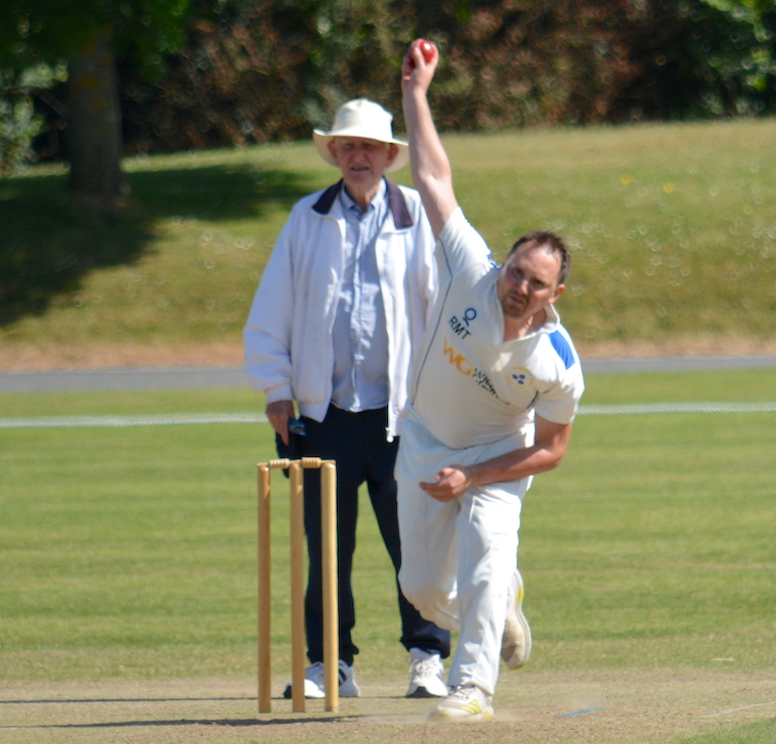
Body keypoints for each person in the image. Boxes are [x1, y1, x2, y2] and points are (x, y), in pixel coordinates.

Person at [395, 43, 585, 720]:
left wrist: (475, 477)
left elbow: (554, 450)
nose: (518, 286)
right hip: (424, 441)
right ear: (501, 262)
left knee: (482, 559)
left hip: (499, 460)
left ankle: (473, 688)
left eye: (535, 281)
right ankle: (504, 600)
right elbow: (434, 177)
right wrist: (416, 93)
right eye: (515, 270)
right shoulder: (469, 270)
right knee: (419, 588)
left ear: (554, 291)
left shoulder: (558, 361)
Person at [244, 98, 452, 701]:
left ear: (391, 155)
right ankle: (330, 665)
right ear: (334, 153)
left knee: (414, 546)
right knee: (326, 551)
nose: (358, 156)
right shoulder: (307, 216)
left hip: (404, 417)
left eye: (371, 147)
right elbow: (272, 310)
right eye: (348, 146)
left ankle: (427, 658)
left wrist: (445, 397)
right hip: (323, 414)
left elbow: (446, 307)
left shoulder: (417, 213)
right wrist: (277, 389)